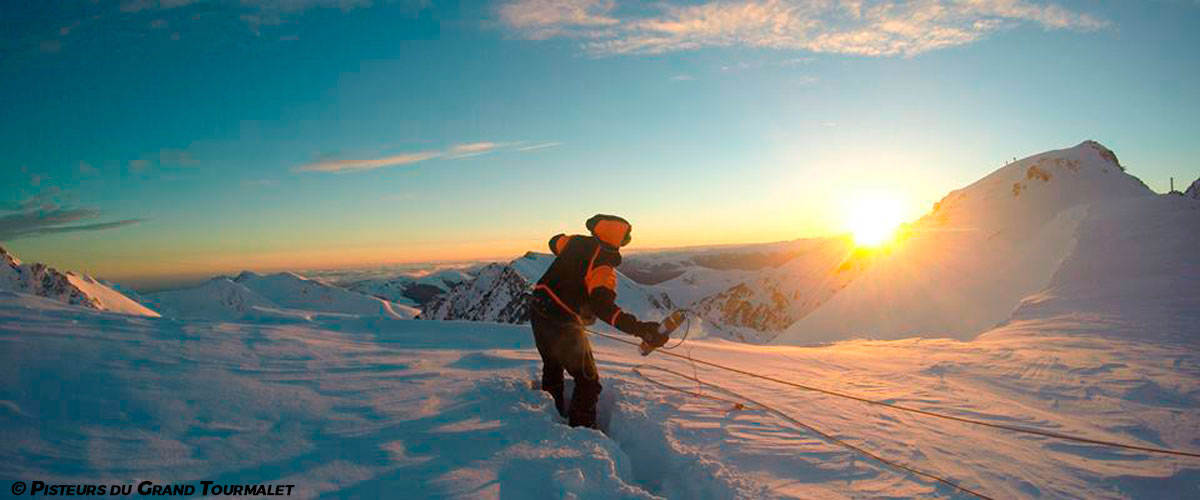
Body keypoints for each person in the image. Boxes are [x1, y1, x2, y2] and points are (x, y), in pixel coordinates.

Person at [530, 214, 668, 428]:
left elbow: (554, 241)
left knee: (552, 365)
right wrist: (640, 329)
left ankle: (551, 420)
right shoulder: (603, 265)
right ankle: (581, 433)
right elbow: (603, 307)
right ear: (621, 239)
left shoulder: (575, 241)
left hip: (538, 307)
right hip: (562, 319)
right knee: (588, 382)